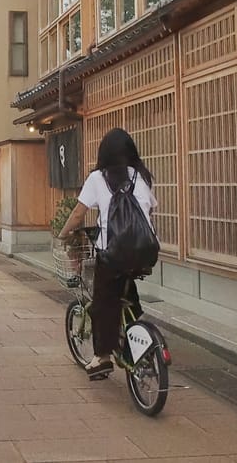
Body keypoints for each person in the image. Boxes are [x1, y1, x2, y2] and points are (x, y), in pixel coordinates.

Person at [54, 127, 157, 379]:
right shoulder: (140, 176)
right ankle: (135, 334)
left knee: (103, 302)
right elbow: (150, 210)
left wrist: (63, 234)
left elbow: (79, 214)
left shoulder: (98, 178)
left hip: (113, 254)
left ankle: (102, 357)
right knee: (126, 295)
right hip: (145, 251)